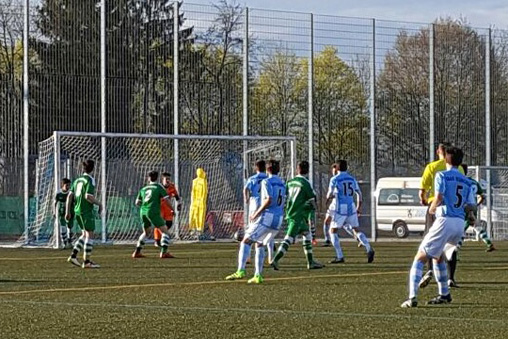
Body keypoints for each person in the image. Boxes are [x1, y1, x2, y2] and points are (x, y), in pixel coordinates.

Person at [401, 146, 475, 308]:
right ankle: (444, 294)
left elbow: (439, 196)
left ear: (445, 160)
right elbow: (470, 205)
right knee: (438, 256)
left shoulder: (441, 175)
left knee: (420, 257)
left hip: (445, 219)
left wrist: (432, 208)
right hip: (459, 224)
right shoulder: (467, 180)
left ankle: (412, 297)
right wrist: (471, 217)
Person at [225, 160, 286, 284]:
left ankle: (240, 271)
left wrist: (256, 213)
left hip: (267, 217)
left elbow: (268, 199)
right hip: (279, 218)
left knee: (246, 241)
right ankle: (258, 275)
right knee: (259, 243)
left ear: (267, 170)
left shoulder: (266, 181)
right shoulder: (282, 183)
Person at [419, 143, 465, 288]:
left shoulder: (432, 167)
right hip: (456, 212)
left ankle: (429, 272)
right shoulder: (460, 169)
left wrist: (425, 202)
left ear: (439, 151)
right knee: (451, 246)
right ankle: (451, 277)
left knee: (429, 242)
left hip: (438, 208)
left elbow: (423, 190)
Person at [270, 161, 324, 270]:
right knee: (288, 239)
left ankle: (310, 262)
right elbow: (312, 199)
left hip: (290, 213)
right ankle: (275, 260)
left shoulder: (290, 182)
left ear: (296, 169)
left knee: (307, 235)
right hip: (298, 215)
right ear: (308, 170)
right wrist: (316, 211)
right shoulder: (305, 183)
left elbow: (285, 196)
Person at [326, 160, 374, 264]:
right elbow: (359, 194)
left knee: (332, 231)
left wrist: (328, 199)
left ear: (337, 168)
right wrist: (358, 207)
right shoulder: (352, 179)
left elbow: (329, 194)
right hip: (351, 206)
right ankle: (368, 248)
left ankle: (340, 256)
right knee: (356, 229)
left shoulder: (334, 179)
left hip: (340, 207)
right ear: (346, 168)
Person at [66, 160, 102, 268]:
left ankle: (73, 256)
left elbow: (69, 196)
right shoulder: (90, 180)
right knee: (90, 234)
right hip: (85, 210)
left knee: (84, 234)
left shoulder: (77, 180)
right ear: (93, 168)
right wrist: (100, 204)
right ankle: (87, 262)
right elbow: (88, 196)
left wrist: (68, 211)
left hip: (77, 210)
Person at [132, 171, 174, 259]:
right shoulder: (158, 187)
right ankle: (164, 252)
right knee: (165, 231)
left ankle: (137, 252)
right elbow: (166, 200)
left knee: (146, 232)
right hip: (153, 211)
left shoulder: (144, 189)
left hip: (143, 212)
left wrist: (145, 206)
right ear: (157, 178)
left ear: (148, 178)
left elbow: (137, 202)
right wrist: (172, 209)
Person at [242, 160, 267, 264]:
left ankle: (247, 256)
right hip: (265, 205)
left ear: (256, 168)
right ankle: (265, 255)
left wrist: (246, 198)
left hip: (254, 205)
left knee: (251, 229)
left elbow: (245, 189)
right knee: (262, 230)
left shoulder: (252, 178)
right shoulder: (267, 178)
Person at [154, 172, 181, 248]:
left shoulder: (172, 186)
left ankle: (163, 236)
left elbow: (176, 196)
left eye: (169, 179)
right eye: (166, 179)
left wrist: (179, 203)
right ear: (162, 180)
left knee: (169, 223)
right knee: (159, 224)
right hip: (159, 207)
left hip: (168, 207)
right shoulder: (158, 187)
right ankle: (157, 241)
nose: (168, 180)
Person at [54, 178, 74, 248]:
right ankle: (64, 243)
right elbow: (55, 202)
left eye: (69, 185)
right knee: (63, 227)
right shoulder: (58, 193)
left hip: (70, 212)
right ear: (62, 185)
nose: (68, 187)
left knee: (70, 227)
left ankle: (70, 242)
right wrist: (54, 211)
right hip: (62, 212)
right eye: (67, 185)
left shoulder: (71, 193)